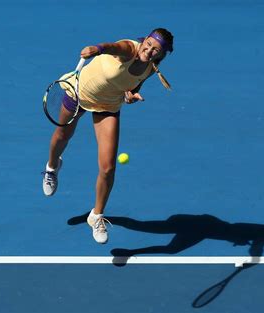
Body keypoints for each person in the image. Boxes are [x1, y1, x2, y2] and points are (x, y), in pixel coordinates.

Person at [42, 28, 174, 244]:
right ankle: (52, 167)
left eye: (155, 51)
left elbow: (130, 86)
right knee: (63, 136)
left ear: (161, 55)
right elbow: (113, 47)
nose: (149, 51)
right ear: (145, 39)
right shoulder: (129, 49)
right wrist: (97, 49)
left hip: (108, 104)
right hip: (80, 91)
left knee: (108, 167)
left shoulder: (151, 68)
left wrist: (129, 96)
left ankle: (96, 216)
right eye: (148, 44)